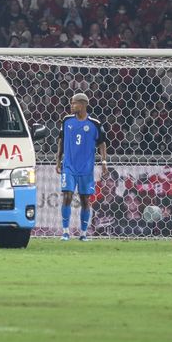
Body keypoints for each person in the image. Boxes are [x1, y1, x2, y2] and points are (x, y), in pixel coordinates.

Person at [56, 92, 108, 241]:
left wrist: (104, 162)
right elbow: (61, 141)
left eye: (74, 103)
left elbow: (102, 144)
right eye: (71, 103)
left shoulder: (94, 124)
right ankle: (65, 232)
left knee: (85, 200)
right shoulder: (66, 121)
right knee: (67, 196)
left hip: (86, 168)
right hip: (69, 167)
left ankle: (83, 234)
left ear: (83, 104)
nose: (71, 106)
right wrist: (58, 161)